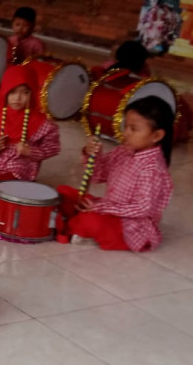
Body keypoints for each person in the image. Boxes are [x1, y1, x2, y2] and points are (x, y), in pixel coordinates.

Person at [57, 97, 174, 252]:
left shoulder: (153, 169)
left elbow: (142, 208)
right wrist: (92, 154)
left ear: (157, 136)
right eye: (125, 126)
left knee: (91, 220)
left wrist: (101, 208)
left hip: (129, 226)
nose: (126, 133)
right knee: (63, 192)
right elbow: (98, 176)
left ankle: (76, 226)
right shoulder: (123, 150)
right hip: (108, 209)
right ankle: (76, 223)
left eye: (134, 129)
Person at [0, 66, 61, 187]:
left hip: (18, 165)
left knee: (13, 176)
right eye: (12, 92)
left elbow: (53, 147)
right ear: (4, 92)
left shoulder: (42, 123)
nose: (17, 98)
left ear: (33, 93)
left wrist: (31, 152)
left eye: (25, 92)